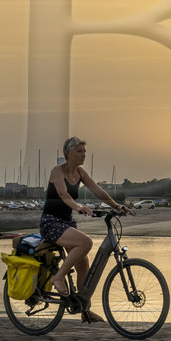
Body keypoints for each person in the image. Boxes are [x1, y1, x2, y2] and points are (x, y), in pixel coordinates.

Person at [41, 136, 127, 323]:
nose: (83, 155)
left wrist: (117, 206)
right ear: (68, 153)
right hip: (51, 222)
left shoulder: (80, 172)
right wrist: (78, 207)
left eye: (84, 152)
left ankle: (85, 311)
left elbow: (97, 190)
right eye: (79, 151)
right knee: (86, 242)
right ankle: (58, 277)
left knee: (83, 266)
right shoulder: (57, 171)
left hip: (66, 223)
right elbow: (63, 193)